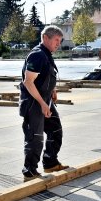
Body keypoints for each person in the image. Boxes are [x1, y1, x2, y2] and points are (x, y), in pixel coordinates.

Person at [19, 25, 69, 182]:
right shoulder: (37, 55)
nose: (58, 44)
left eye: (60, 41)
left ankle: (50, 162)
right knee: (35, 137)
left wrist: (52, 90)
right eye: (56, 40)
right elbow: (28, 82)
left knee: (55, 129)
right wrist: (42, 103)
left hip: (45, 100)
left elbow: (45, 76)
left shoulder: (47, 54)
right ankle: (30, 172)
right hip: (34, 103)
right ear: (45, 38)